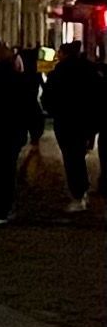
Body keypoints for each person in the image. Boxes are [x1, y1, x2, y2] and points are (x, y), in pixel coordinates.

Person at [0, 46, 45, 226]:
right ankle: (3, 208)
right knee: (8, 169)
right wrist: (35, 134)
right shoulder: (20, 81)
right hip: (14, 132)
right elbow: (32, 109)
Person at [46, 40, 102, 211]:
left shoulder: (58, 73)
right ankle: (82, 189)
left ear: (65, 54)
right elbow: (98, 94)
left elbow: (48, 98)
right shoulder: (90, 70)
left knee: (71, 157)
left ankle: (78, 193)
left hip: (66, 121)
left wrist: (54, 111)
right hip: (85, 120)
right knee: (77, 154)